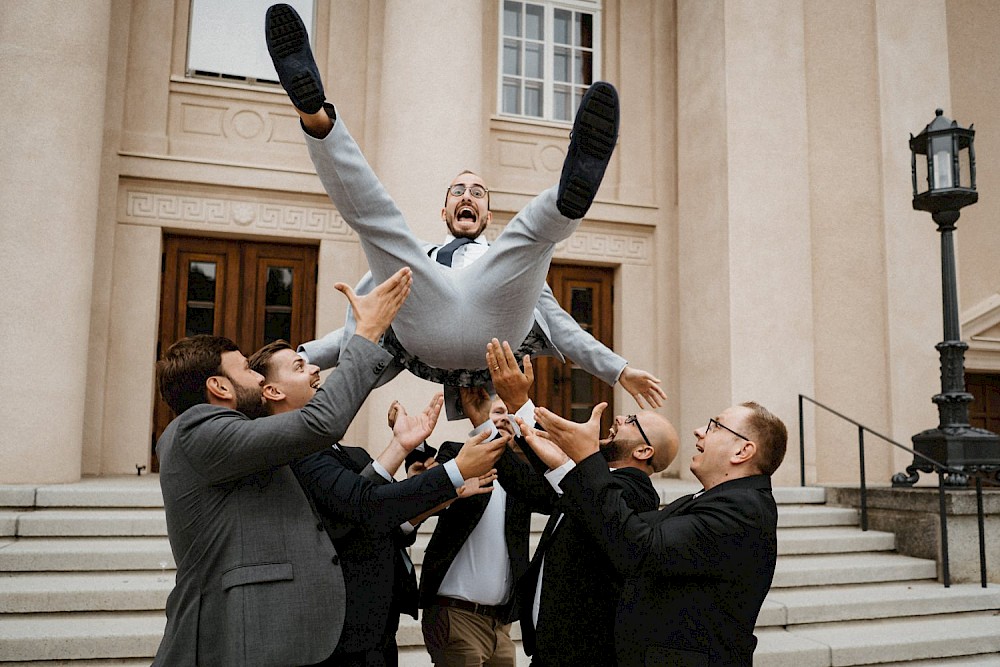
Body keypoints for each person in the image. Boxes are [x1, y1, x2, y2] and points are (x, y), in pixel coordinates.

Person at [264, 4, 666, 416]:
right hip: (424, 329)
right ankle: (316, 118)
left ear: (486, 216)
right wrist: (304, 354)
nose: (468, 196)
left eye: (477, 192)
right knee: (380, 226)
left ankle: (567, 198)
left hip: (495, 335)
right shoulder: (419, 259)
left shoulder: (504, 260)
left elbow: (560, 326)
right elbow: (362, 320)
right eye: (458, 190)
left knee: (531, 239)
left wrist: (619, 370)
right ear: (445, 212)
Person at [152, 268, 412, 666]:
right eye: (248, 371)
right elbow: (320, 422)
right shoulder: (196, 432)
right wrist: (366, 333)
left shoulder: (244, 441)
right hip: (231, 640)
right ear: (219, 387)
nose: (259, 379)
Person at [247, 339, 505, 666]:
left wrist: (421, 468)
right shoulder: (291, 452)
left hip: (376, 633)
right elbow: (366, 505)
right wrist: (454, 472)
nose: (315, 368)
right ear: (272, 391)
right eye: (299, 367)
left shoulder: (347, 454)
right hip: (336, 639)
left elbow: (388, 524)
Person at [528, 400, 788, 666]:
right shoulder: (710, 500)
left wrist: (587, 459)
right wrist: (565, 463)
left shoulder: (742, 508)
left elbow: (638, 549)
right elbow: (624, 529)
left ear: (742, 451)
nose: (699, 431)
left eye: (715, 426)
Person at [483, 339, 678, 667]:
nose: (618, 420)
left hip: (579, 654)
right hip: (551, 648)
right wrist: (509, 414)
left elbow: (575, 477)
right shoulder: (592, 486)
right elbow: (561, 470)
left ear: (644, 452)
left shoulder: (635, 492)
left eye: (630, 422)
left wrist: (520, 402)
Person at [415, 388, 553, 667]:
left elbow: (551, 497)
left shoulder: (523, 478)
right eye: (497, 412)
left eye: (509, 414)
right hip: (456, 616)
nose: (504, 419)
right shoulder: (456, 454)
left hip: (500, 625)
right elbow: (425, 490)